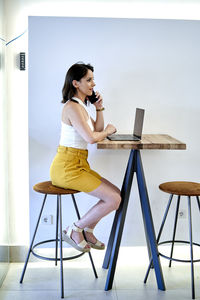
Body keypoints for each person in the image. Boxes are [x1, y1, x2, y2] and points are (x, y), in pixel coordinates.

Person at [50, 62, 121, 253]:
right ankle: (75, 229)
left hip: (79, 164)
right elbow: (92, 138)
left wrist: (99, 108)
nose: (93, 84)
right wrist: (108, 131)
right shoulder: (72, 107)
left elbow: (95, 131)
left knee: (116, 194)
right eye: (89, 80)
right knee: (113, 199)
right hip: (67, 167)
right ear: (75, 83)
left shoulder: (81, 106)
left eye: (92, 80)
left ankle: (88, 230)